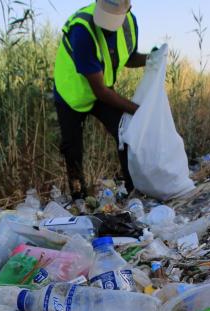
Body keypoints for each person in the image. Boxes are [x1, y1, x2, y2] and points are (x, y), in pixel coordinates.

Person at [53, 0, 147, 201]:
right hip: (71, 94)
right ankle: (79, 198)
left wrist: (152, 58)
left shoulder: (130, 24)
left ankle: (133, 191)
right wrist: (138, 110)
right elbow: (101, 92)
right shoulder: (82, 30)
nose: (105, 25)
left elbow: (128, 57)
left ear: (127, 10)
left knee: (125, 131)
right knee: (73, 150)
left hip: (101, 89)